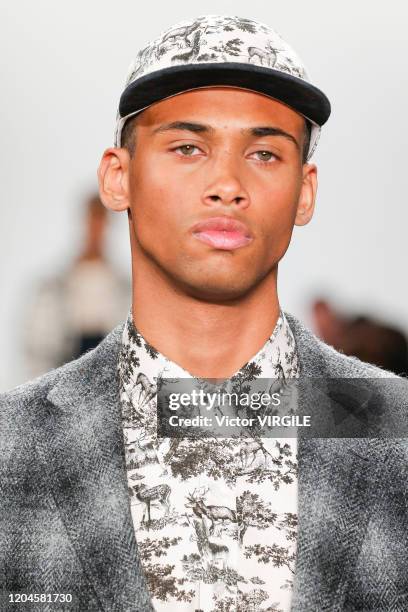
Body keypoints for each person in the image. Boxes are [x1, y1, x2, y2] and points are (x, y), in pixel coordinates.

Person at [1, 15, 407, 612]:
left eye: (265, 153)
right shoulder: (13, 446)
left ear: (305, 192)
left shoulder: (392, 429)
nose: (226, 183)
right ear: (119, 178)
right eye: (188, 147)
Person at [24, 194, 130, 378]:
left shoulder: (125, 287)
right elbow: (38, 346)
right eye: (92, 219)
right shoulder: (55, 286)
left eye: (101, 220)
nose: (96, 228)